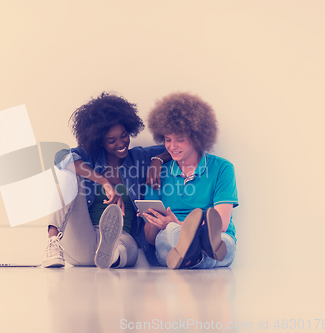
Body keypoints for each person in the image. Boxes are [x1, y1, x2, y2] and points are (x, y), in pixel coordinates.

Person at [42, 92, 170, 268]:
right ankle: (53, 243)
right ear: (99, 142)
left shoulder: (139, 158)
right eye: (111, 140)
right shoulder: (89, 157)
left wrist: (157, 160)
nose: (121, 143)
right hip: (83, 239)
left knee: (126, 249)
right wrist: (104, 182)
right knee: (66, 172)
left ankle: (110, 255)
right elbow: (60, 157)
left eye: (124, 135)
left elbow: (176, 147)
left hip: (122, 239)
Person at [142, 92, 238, 269]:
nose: (171, 146)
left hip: (214, 236)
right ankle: (198, 253)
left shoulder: (222, 168)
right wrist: (155, 223)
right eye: (168, 139)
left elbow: (222, 225)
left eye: (180, 139)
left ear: (197, 138)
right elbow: (150, 238)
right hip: (170, 238)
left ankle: (191, 255)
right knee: (167, 237)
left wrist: (177, 223)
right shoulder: (157, 174)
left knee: (225, 243)